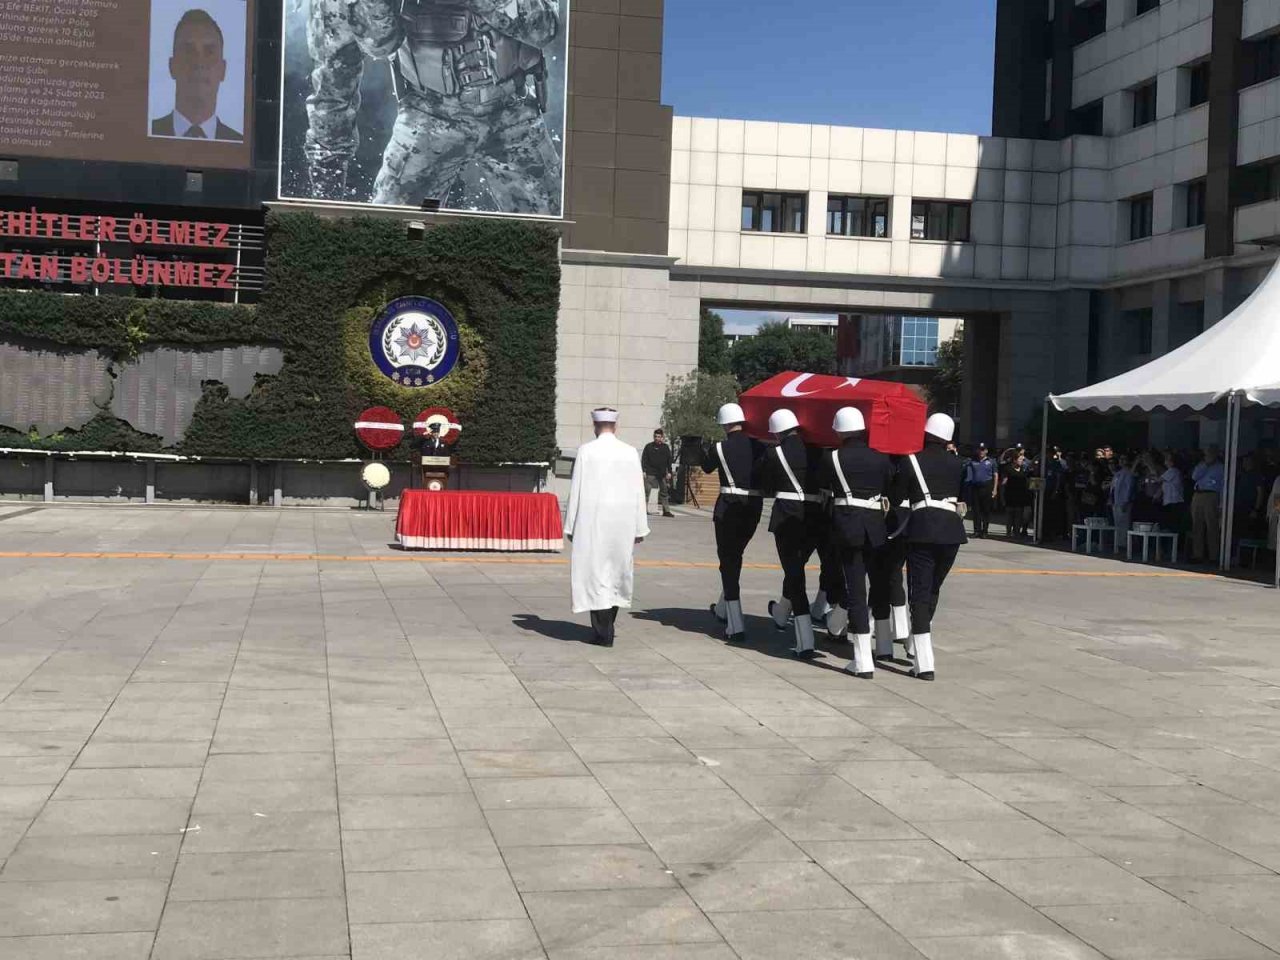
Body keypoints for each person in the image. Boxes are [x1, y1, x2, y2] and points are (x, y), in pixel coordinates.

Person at [305, 0, 563, 210]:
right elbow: (334, 82)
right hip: (428, 114)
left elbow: (545, 27)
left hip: (513, 112)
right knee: (387, 241)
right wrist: (326, 190)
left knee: (546, 236)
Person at [820, 407, 894, 678]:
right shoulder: (880, 458)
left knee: (855, 591)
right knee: (876, 584)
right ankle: (867, 637)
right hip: (875, 527)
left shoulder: (832, 458)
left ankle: (862, 660)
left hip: (848, 526)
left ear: (839, 429)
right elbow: (888, 484)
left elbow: (824, 484)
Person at [565, 408, 649, 646]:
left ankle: (603, 631)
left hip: (593, 520)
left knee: (594, 573)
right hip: (622, 521)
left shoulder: (586, 451)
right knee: (616, 571)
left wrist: (571, 524)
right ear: (615, 426)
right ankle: (607, 625)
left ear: (595, 425)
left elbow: (576, 489)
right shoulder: (630, 452)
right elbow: (638, 492)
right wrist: (640, 527)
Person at [902, 413, 968, 681]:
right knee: (932, 589)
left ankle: (924, 661)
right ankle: (916, 640)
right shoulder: (958, 464)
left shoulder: (912, 460)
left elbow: (899, 493)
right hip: (951, 530)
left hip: (923, 527)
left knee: (919, 592)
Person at [760, 408, 822, 659]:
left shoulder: (774, 453)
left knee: (794, 574)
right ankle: (781, 612)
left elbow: (765, 486)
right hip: (815, 517)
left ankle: (805, 639)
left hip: (787, 516)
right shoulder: (817, 450)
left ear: (776, 431)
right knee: (796, 569)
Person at [702, 403, 765, 645]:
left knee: (728, 561)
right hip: (753, 507)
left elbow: (707, 468)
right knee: (735, 556)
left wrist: (699, 448)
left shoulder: (720, 447)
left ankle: (735, 623)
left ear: (725, 424)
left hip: (729, 507)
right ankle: (723, 608)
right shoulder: (759, 447)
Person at [151, 10, 243, 142]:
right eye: (188, 51)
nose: (199, 62)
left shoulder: (237, 143)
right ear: (172, 66)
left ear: (223, 70)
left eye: (209, 52)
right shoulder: (150, 132)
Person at [1191, 446, 1224, 563]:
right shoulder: (1201, 465)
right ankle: (1197, 554)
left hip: (1212, 495)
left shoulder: (1221, 467)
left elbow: (1223, 486)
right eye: (1206, 454)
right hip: (1198, 494)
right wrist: (1205, 464)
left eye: (1210, 454)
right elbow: (1194, 476)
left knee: (1212, 526)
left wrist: (1221, 504)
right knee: (1197, 525)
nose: (1208, 456)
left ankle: (1213, 556)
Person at [964, 443, 998, 537]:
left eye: (983, 449)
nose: (981, 451)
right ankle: (977, 531)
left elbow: (995, 475)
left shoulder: (991, 461)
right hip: (975, 487)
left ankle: (985, 531)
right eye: (979, 449)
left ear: (986, 451)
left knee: (986, 510)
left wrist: (995, 489)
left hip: (987, 487)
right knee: (976, 510)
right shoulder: (972, 461)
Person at [641, 429, 675, 518]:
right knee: (646, 492)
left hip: (662, 474)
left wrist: (669, 472)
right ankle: (643, 510)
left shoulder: (665, 447)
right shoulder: (648, 447)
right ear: (654, 437)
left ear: (662, 437)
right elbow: (644, 459)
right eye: (655, 436)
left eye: (659, 437)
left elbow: (669, 461)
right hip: (650, 473)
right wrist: (644, 471)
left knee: (664, 492)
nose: (657, 438)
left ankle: (666, 511)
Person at [1002, 449, 1033, 538]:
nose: (1021, 461)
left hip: (1020, 497)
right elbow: (1004, 483)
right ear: (1015, 460)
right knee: (1009, 516)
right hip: (1010, 496)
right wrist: (1003, 497)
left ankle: (1017, 532)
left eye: (1022, 460)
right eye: (1020, 459)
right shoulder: (1008, 469)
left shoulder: (1023, 470)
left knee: (1018, 516)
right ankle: (1008, 532)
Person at [1110, 454, 1136, 546]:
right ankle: (1119, 543)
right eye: (1120, 459)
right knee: (1117, 524)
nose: (1121, 461)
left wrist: (1126, 500)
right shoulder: (1118, 473)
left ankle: (1125, 545)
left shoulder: (1129, 473)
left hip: (1124, 502)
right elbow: (1113, 487)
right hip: (1115, 502)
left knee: (1125, 524)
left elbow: (1129, 488)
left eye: (1124, 459)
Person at [1157, 451, 1186, 533]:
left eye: (1167, 459)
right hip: (1169, 502)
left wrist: (1149, 464)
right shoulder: (1169, 471)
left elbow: (1158, 479)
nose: (1165, 461)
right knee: (1168, 526)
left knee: (1172, 527)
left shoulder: (1173, 471)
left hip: (1174, 503)